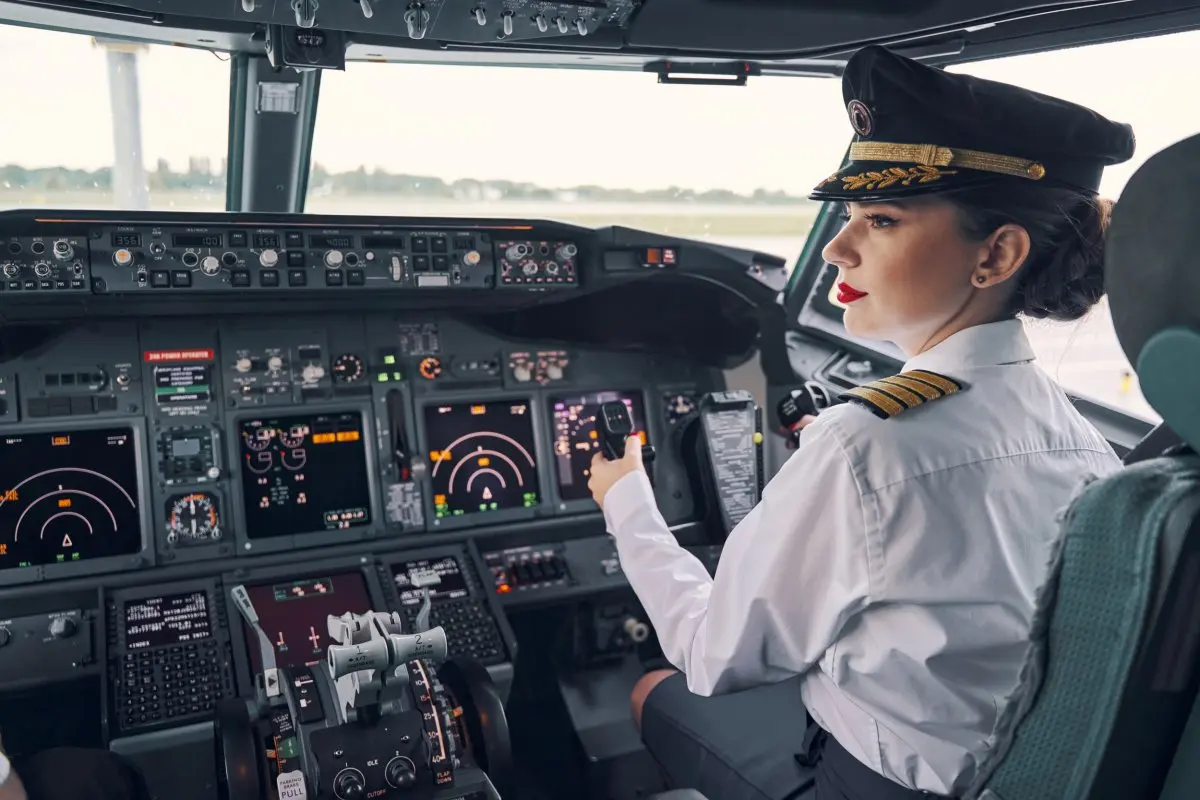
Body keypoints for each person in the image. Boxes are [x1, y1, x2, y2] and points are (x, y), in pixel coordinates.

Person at [587, 44, 1135, 800]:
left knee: (655, 687)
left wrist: (626, 502)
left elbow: (710, 655)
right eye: (847, 218)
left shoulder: (866, 447)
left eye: (879, 220)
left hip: (866, 783)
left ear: (998, 253)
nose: (839, 250)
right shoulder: (1090, 450)